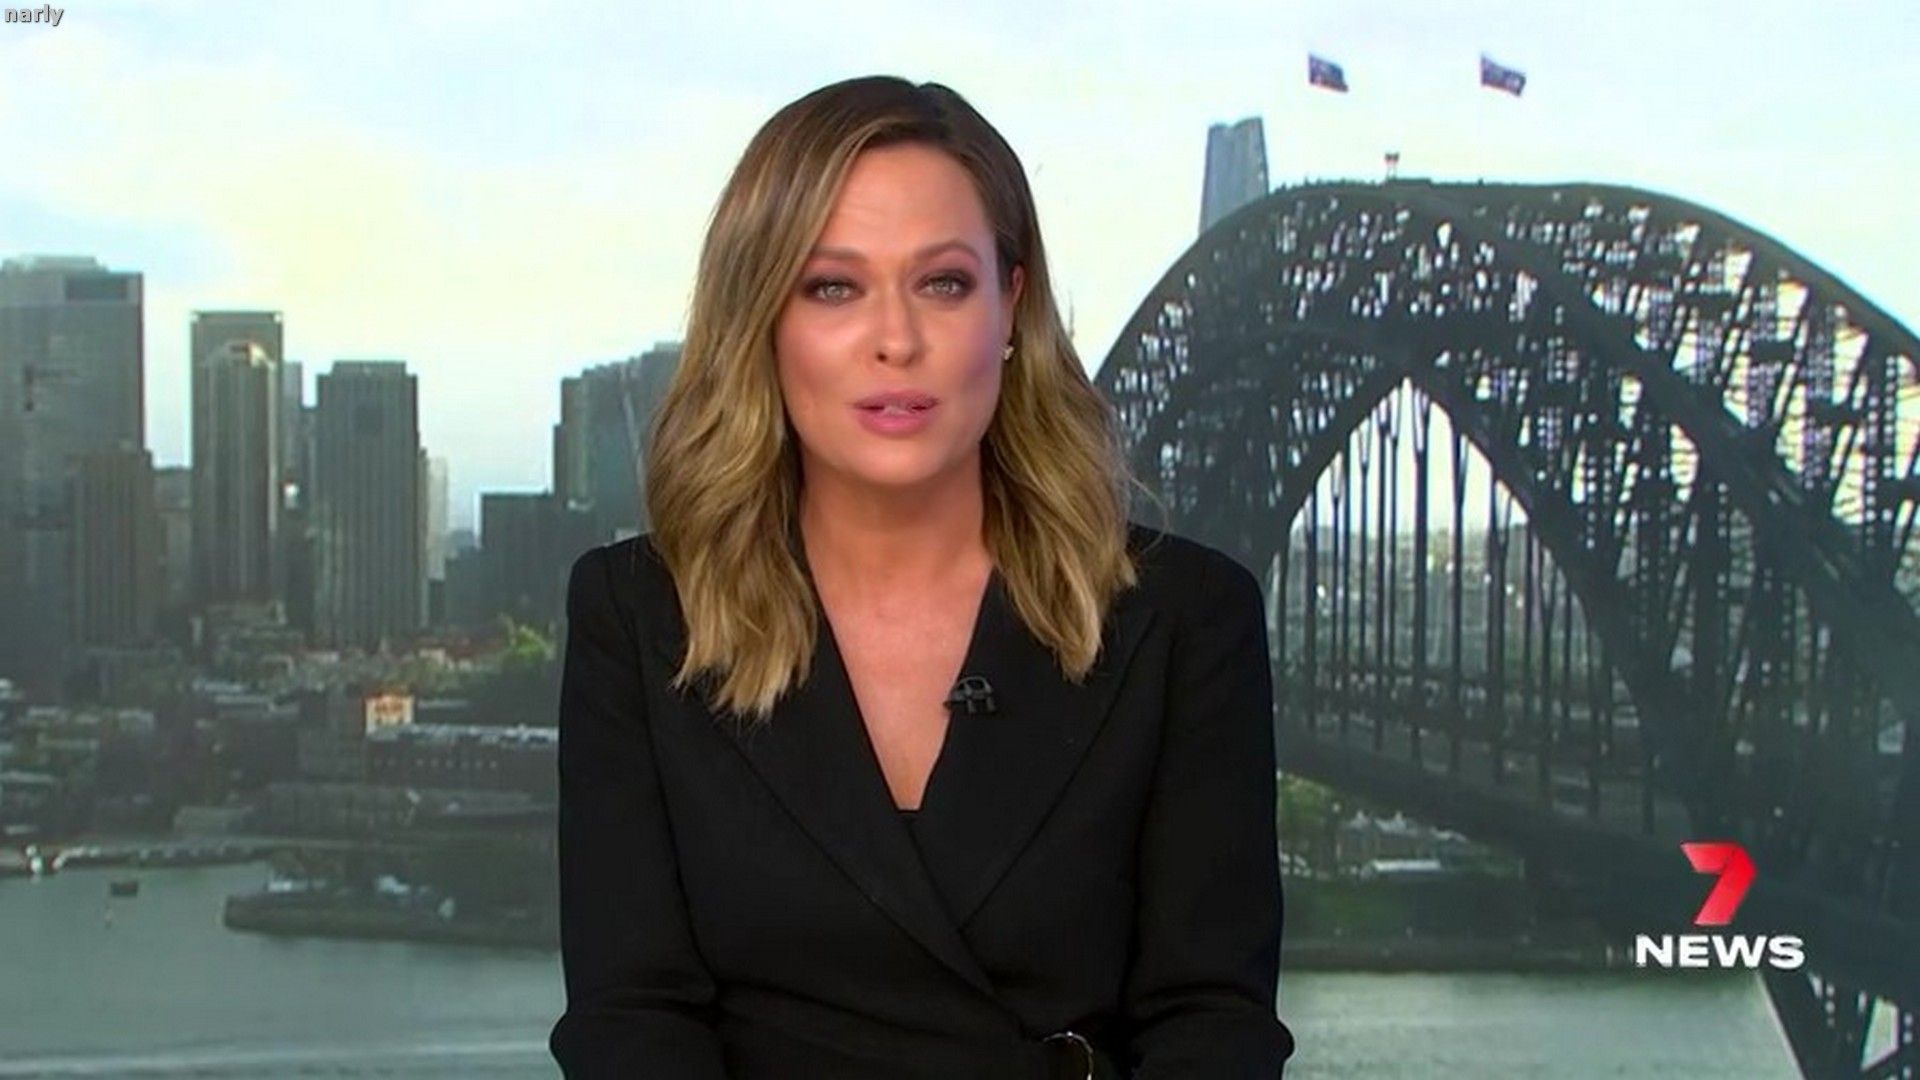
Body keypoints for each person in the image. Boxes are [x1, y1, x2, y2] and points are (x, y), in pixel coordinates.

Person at [548, 74, 1294, 1078]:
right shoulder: (638, 616)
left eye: (943, 283)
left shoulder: (1185, 619)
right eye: (833, 287)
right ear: (761, 319)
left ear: (1010, 305)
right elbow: (630, 1019)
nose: (895, 341)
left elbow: (1212, 1021)